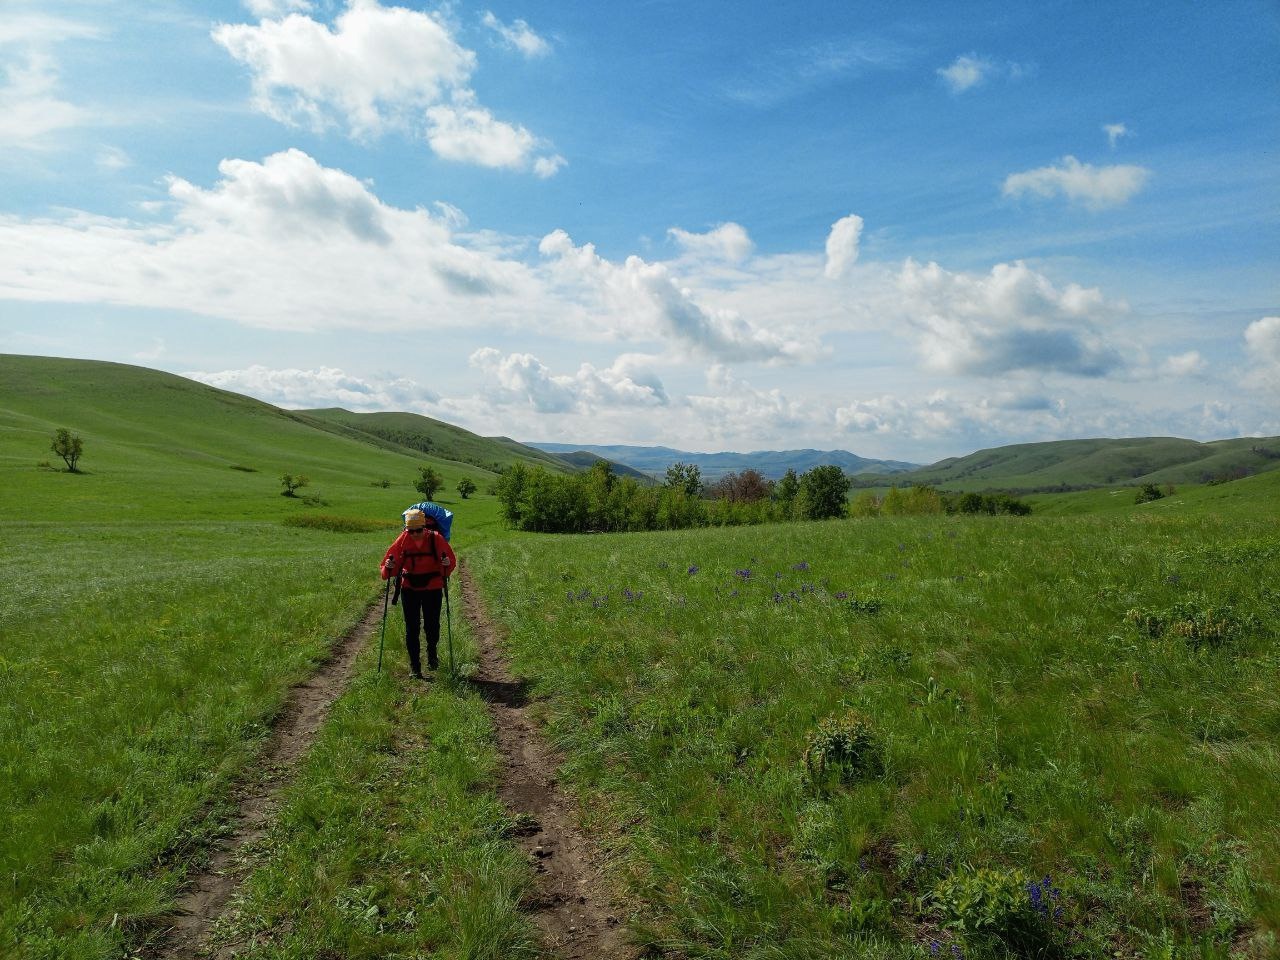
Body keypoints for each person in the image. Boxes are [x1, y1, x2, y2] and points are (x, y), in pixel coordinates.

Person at [380, 508, 456, 679]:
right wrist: (388, 567)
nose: (414, 534)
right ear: (406, 529)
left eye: (418, 530)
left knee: (432, 626)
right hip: (410, 588)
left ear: (425, 527)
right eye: (410, 531)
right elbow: (388, 566)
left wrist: (446, 563)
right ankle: (415, 667)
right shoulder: (403, 540)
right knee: (411, 628)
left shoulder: (436, 538)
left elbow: (450, 562)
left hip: (433, 588)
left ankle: (432, 653)